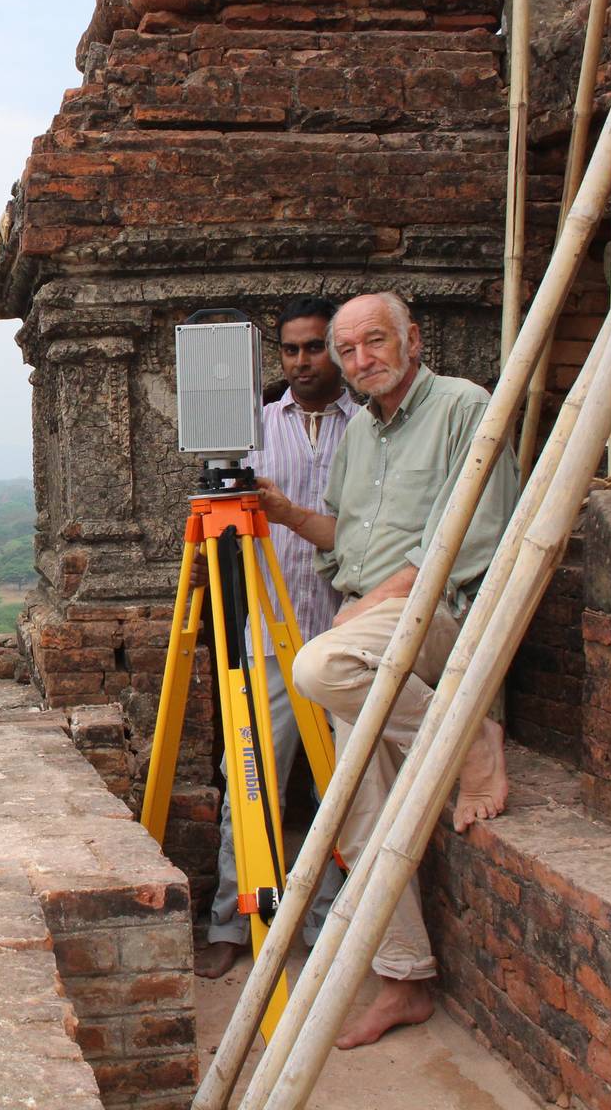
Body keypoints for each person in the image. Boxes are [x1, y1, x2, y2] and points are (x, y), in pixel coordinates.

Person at [256, 291, 516, 1050]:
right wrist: (288, 515)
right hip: (373, 622)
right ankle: (404, 976)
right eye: (350, 350)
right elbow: (344, 533)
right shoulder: (361, 435)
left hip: (442, 616)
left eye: (375, 342)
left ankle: (467, 741)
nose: (361, 359)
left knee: (317, 665)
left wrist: (375, 602)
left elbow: (471, 537)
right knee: (361, 802)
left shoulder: (466, 408)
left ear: (413, 339)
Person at [198, 296, 355, 981]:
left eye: (314, 348)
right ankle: (234, 919)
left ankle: (321, 930)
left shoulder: (369, 429)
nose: (301, 362)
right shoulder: (255, 427)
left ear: (338, 352)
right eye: (290, 350)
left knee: (338, 791)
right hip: (268, 630)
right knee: (251, 781)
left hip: (347, 631)